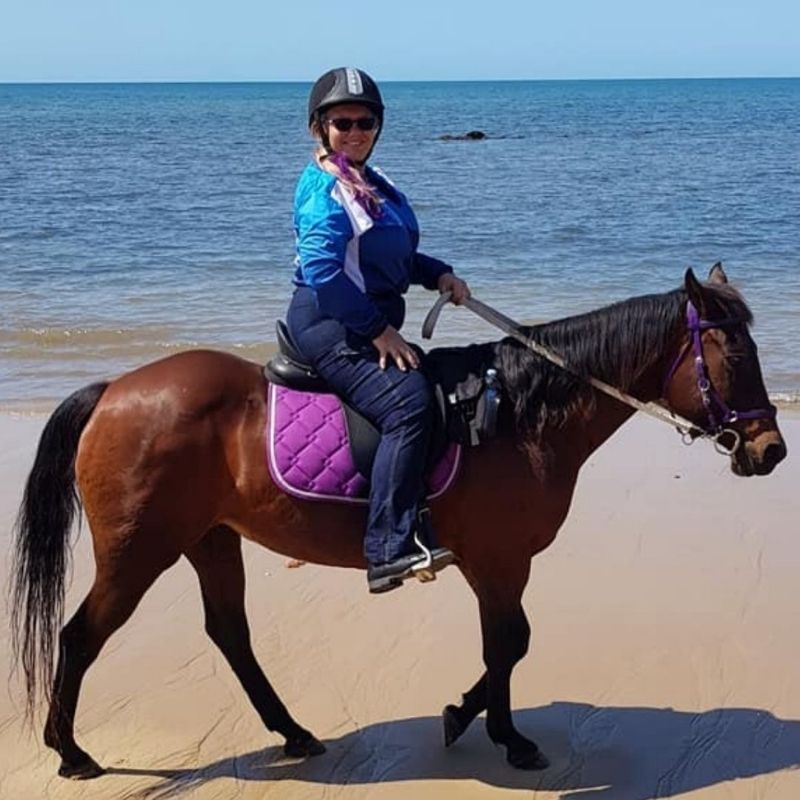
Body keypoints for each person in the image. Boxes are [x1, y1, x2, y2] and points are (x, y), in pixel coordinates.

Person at [285, 66, 471, 594]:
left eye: (365, 121)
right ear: (319, 127)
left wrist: (437, 273)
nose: (354, 131)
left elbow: (388, 254)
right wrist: (378, 332)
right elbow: (324, 273)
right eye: (341, 122)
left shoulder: (368, 178)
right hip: (331, 320)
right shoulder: (326, 189)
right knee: (408, 403)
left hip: (360, 315)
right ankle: (388, 547)